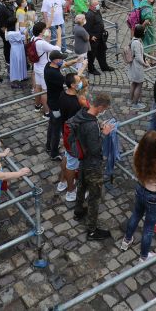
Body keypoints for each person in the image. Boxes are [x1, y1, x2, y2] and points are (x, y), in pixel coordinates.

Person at [69, 92, 115, 240]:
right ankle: (92, 231)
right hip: (93, 164)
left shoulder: (82, 114)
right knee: (95, 197)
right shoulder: (91, 125)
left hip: (83, 160)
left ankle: (78, 211)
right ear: (100, 107)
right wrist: (104, 133)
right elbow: (95, 149)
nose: (104, 111)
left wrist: (98, 128)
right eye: (104, 108)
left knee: (81, 186)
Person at [118, 131, 156, 262]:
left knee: (136, 215)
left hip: (140, 189)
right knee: (149, 228)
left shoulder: (137, 151)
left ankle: (126, 240)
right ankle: (144, 256)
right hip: (154, 197)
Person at [44, 50, 78, 161]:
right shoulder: (54, 74)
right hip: (56, 105)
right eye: (61, 59)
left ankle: (48, 146)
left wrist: (75, 61)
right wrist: (82, 68)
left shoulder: (48, 65)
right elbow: (72, 82)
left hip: (51, 101)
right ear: (55, 60)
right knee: (57, 128)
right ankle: (54, 153)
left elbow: (64, 65)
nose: (62, 60)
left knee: (52, 124)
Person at [56, 73, 84, 203]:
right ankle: (71, 191)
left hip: (65, 131)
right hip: (73, 136)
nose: (80, 82)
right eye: (78, 81)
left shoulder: (63, 94)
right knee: (72, 164)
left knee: (67, 157)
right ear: (73, 85)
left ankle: (62, 182)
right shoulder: (75, 103)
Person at [31, 21, 60, 116]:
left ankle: (37, 105)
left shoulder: (33, 39)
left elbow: (44, 48)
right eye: (45, 29)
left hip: (36, 67)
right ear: (41, 32)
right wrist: (59, 35)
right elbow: (57, 49)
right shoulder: (42, 43)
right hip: (44, 69)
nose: (46, 30)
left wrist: (47, 39)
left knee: (38, 87)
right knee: (45, 91)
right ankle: (47, 112)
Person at [84, 0, 112, 74]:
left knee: (102, 52)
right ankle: (91, 69)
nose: (98, 5)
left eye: (98, 4)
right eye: (96, 4)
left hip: (100, 36)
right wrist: (91, 36)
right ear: (91, 6)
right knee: (92, 54)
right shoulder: (89, 15)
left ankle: (104, 67)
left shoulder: (97, 11)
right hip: (94, 38)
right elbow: (86, 28)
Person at [127, 24, 147, 110]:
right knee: (139, 84)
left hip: (133, 65)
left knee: (134, 83)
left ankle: (130, 100)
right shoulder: (137, 43)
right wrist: (145, 64)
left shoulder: (133, 40)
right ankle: (135, 103)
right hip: (137, 66)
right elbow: (138, 57)